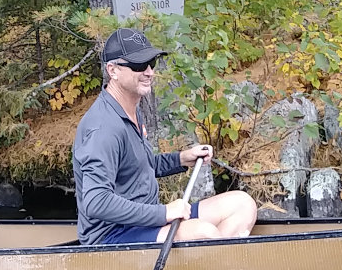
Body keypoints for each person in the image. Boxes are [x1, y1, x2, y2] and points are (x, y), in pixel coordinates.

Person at [74, 28, 258, 245]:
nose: (149, 72)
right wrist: (163, 214)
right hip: (113, 235)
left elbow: (135, 167)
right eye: (139, 65)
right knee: (204, 233)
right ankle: (215, 265)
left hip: (146, 221)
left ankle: (216, 265)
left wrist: (180, 159)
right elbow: (96, 202)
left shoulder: (130, 109)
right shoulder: (103, 128)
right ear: (112, 70)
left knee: (242, 204)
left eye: (152, 63)